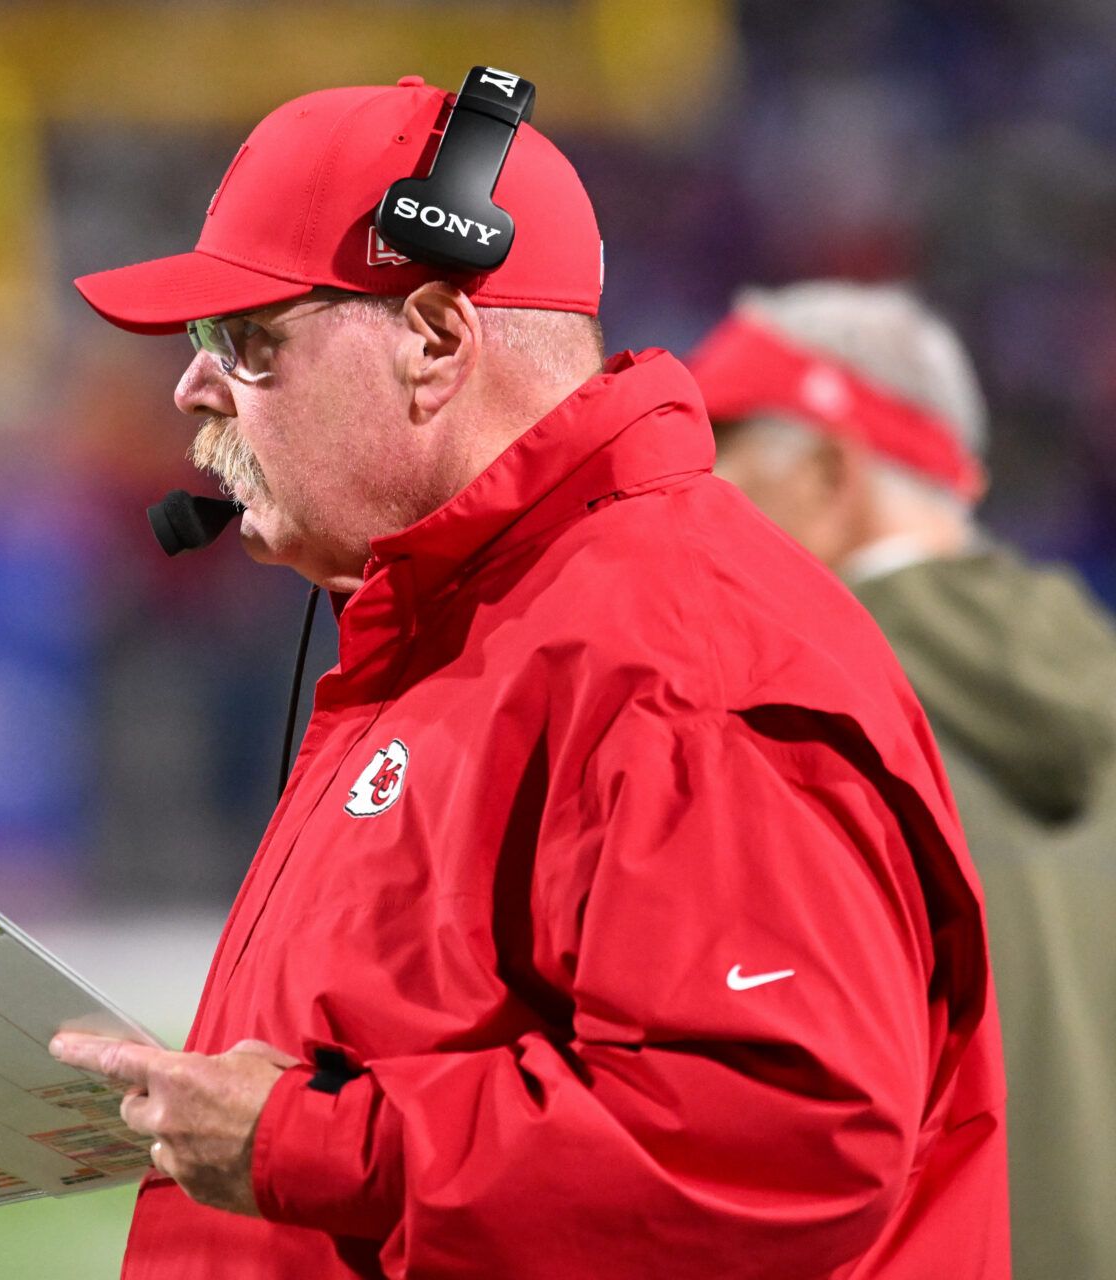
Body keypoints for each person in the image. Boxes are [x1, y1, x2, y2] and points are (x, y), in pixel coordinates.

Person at [50, 74, 1010, 1277]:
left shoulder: (675, 654)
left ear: (435, 341)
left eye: (246, 342)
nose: (193, 389)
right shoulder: (476, 616)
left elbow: (779, 1139)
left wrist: (305, 1138)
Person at [687, 281, 1116, 1279]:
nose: (691, 514)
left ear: (830, 472)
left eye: (719, 470)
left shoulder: (797, 735)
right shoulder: (1097, 680)